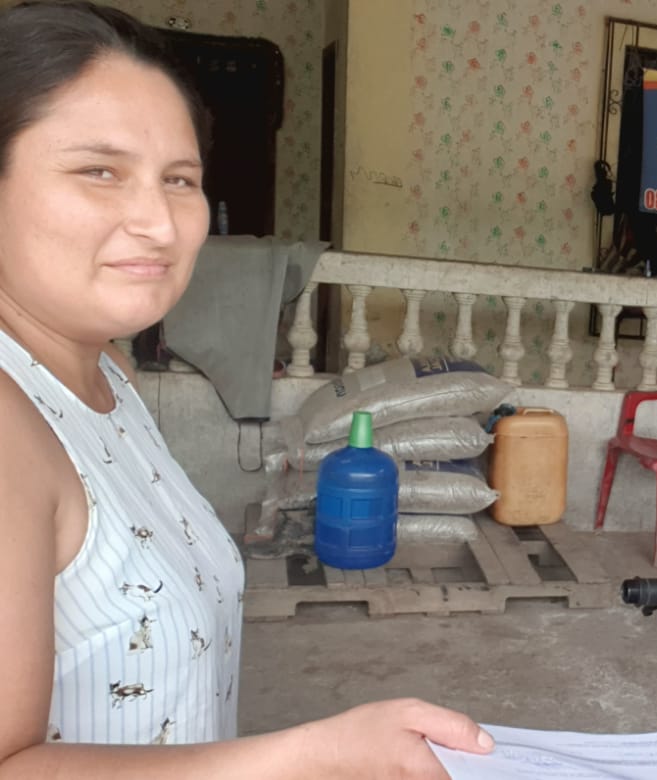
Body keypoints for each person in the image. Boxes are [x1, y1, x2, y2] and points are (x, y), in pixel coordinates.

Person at [0, 3, 492, 776]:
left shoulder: (107, 376)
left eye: (179, 180)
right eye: (100, 171)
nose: (160, 222)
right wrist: (306, 756)